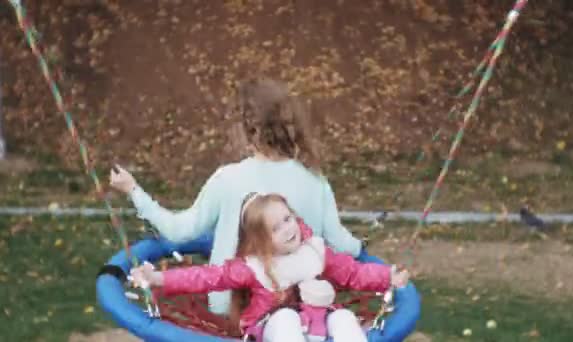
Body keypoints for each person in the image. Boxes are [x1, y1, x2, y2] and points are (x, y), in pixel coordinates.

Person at [109, 77, 370, 314]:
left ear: (249, 129)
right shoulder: (315, 179)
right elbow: (340, 243)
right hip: (300, 308)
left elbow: (179, 230)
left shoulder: (228, 179)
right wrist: (362, 246)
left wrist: (134, 190)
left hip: (233, 309)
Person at [129, 193, 409, 341]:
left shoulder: (314, 250)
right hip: (271, 328)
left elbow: (354, 272)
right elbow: (207, 278)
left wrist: (387, 277)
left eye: (288, 219)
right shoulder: (254, 267)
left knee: (346, 319)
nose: (288, 229)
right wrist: (158, 279)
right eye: (276, 228)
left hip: (318, 322)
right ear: (261, 241)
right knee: (286, 319)